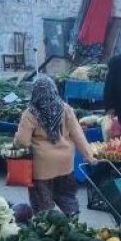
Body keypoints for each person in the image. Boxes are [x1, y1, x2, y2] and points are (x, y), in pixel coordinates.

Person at [14, 75, 96, 216]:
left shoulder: (31, 113)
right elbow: (78, 135)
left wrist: (15, 141)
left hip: (42, 167)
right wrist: (89, 156)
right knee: (66, 196)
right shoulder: (65, 108)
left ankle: (47, 226)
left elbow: (23, 141)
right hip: (65, 163)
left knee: (42, 202)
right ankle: (73, 218)